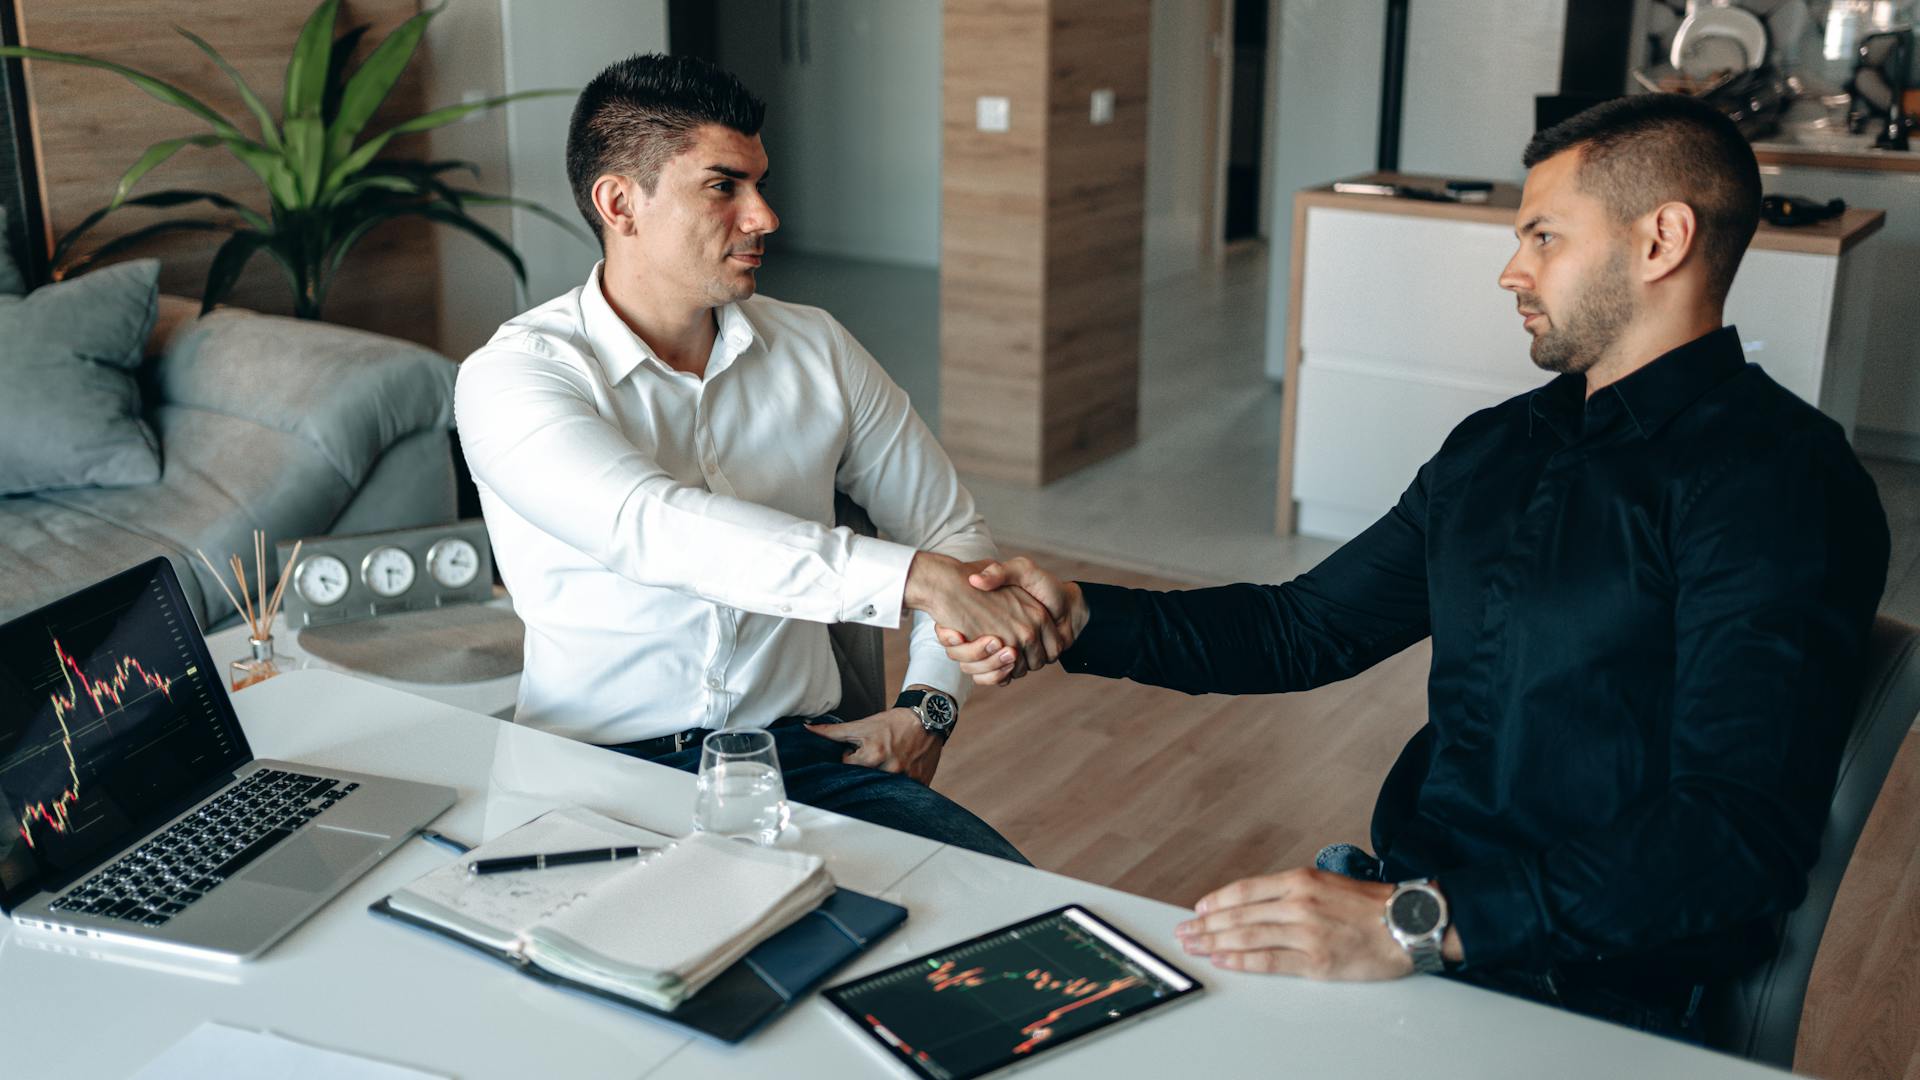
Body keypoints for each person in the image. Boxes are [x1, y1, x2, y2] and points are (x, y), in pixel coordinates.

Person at [939, 93, 1890, 1033]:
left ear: (1660, 241)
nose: (1513, 271)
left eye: (1544, 237)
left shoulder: (1780, 484)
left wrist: (1413, 927)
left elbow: (1732, 838)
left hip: (1591, 988)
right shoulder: (1497, 449)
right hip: (1410, 918)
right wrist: (1078, 618)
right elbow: (1301, 629)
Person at [456, 54, 1060, 862]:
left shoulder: (816, 347)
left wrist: (928, 710)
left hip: (802, 762)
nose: (765, 215)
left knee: (1012, 923)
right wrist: (912, 577)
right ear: (619, 202)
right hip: (593, 776)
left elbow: (949, 527)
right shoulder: (513, 376)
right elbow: (652, 527)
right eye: (724, 186)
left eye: (760, 183)